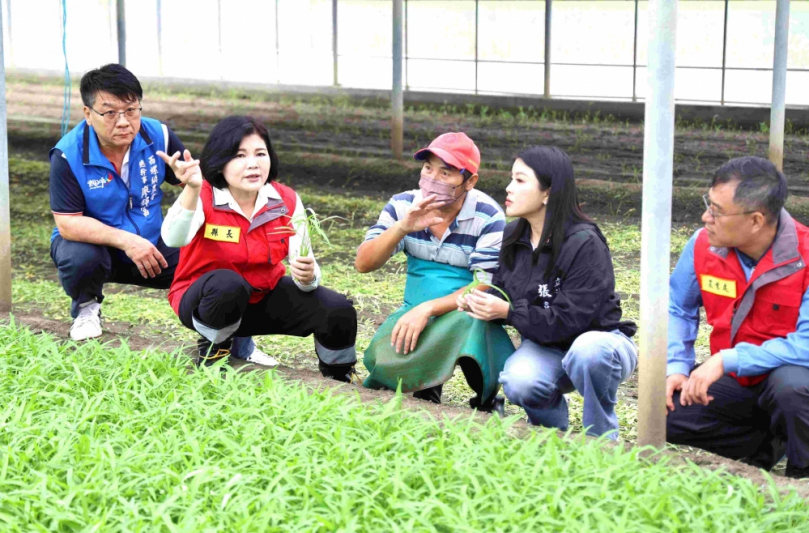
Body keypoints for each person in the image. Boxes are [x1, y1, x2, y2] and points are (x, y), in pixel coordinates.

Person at [48, 64, 266, 363]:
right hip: (97, 247)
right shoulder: (67, 154)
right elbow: (68, 223)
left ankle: (233, 341)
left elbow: (199, 186)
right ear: (88, 114)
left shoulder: (157, 136)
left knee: (219, 261)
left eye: (131, 110)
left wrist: (194, 185)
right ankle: (86, 309)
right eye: (110, 113)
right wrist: (126, 241)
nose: (123, 122)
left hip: (153, 242)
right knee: (78, 255)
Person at [160, 115, 358, 379]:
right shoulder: (204, 194)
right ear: (219, 161)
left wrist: (309, 276)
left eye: (260, 153)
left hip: (260, 297)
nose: (252, 164)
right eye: (239, 155)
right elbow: (173, 239)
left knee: (338, 308)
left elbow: (306, 270)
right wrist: (191, 190)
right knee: (228, 285)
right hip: (204, 302)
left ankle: (339, 377)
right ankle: (213, 354)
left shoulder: (285, 199)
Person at [459, 146, 637, 439]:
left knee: (588, 352)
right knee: (519, 380)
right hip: (546, 345)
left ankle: (602, 440)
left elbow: (574, 318)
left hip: (601, 343)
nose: (508, 188)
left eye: (519, 180)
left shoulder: (584, 242)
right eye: (511, 179)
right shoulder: (513, 236)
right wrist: (481, 302)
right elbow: (506, 292)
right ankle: (551, 437)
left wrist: (509, 312)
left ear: (548, 193)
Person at [666, 156, 809, 479]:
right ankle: (765, 447)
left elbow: (807, 344)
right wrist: (675, 366)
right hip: (740, 380)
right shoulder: (702, 245)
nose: (706, 217)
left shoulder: (806, 254)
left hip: (790, 378)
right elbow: (678, 306)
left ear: (756, 220)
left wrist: (725, 360)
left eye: (716, 211)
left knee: (792, 389)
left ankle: (802, 480)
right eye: (708, 204)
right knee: (667, 414)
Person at [356, 132, 513, 411]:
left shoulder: (487, 216)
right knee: (385, 362)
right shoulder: (404, 204)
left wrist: (428, 308)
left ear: (470, 181)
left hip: (467, 307)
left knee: (469, 324)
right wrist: (403, 227)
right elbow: (364, 263)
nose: (433, 179)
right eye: (428, 168)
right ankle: (427, 389)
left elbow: (483, 285)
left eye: (446, 172)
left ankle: (487, 398)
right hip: (414, 305)